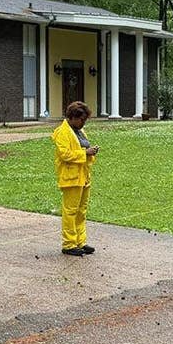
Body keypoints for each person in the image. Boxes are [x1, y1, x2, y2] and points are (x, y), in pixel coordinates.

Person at [52, 101, 99, 256]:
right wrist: (85, 153)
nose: (83, 122)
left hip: (83, 176)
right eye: (81, 119)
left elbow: (83, 150)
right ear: (72, 117)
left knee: (81, 211)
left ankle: (80, 241)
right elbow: (64, 154)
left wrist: (90, 153)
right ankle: (69, 244)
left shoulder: (79, 131)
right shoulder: (62, 132)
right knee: (70, 211)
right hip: (71, 177)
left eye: (84, 120)